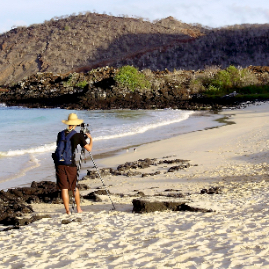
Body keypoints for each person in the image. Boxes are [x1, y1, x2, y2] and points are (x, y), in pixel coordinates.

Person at [54, 113, 93, 215]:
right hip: (70, 164)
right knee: (74, 187)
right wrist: (91, 139)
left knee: (64, 188)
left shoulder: (60, 134)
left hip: (59, 163)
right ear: (75, 124)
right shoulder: (78, 135)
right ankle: (78, 208)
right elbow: (89, 149)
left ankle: (67, 211)